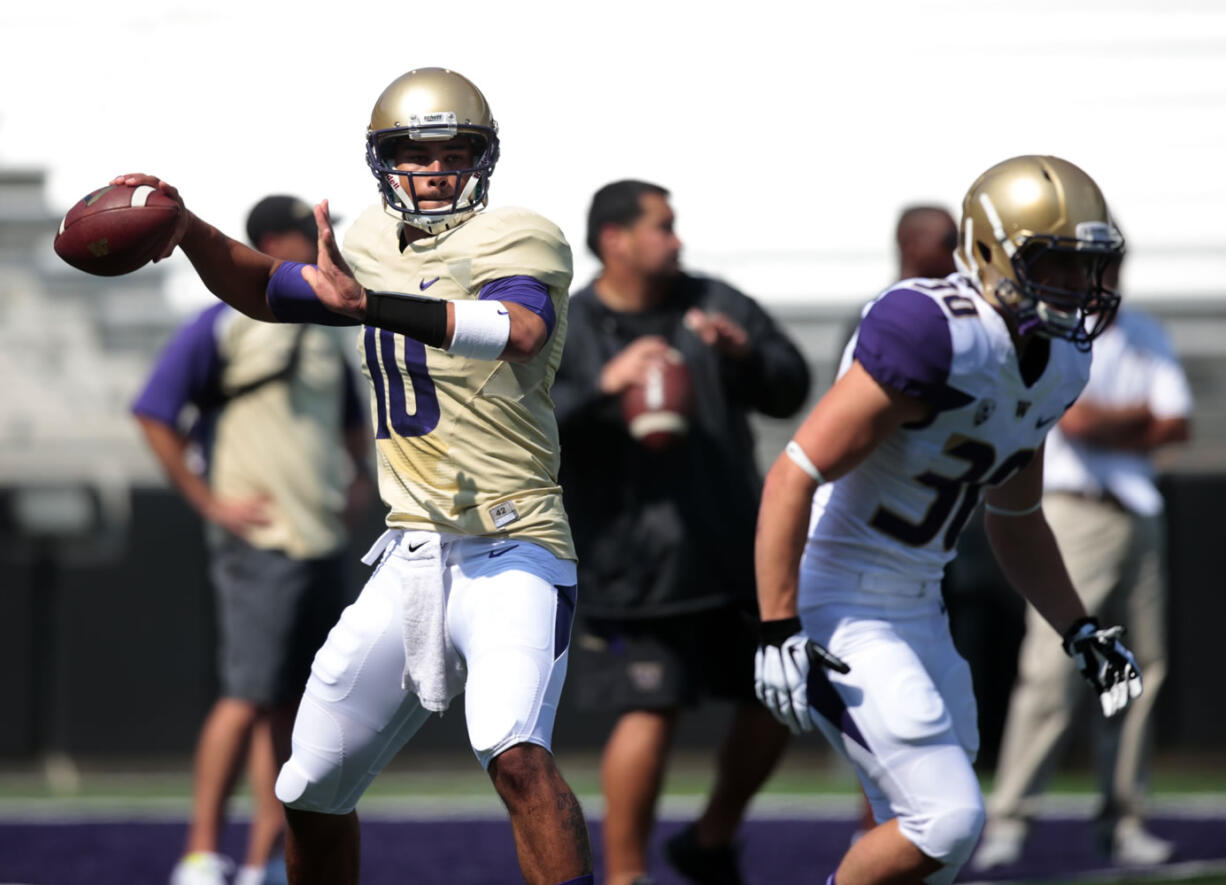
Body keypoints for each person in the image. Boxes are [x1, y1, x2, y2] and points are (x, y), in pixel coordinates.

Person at [115, 67, 594, 885]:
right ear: (383, 159)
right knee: (308, 786)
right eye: (415, 151)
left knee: (515, 754)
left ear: (484, 159)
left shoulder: (523, 234)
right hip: (409, 554)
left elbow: (514, 329)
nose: (436, 168)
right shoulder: (365, 241)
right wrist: (188, 228)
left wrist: (368, 305)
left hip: (513, 544)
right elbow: (265, 287)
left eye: (455, 151)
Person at [751, 154, 1145, 885]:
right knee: (946, 819)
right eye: (1052, 262)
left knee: (938, 842)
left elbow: (1018, 517)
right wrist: (778, 624)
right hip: (840, 596)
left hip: (918, 602)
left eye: (1083, 265)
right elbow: (794, 473)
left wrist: (1079, 628)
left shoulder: (1061, 360)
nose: (1073, 284)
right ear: (994, 253)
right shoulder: (932, 329)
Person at [553, 180, 811, 885]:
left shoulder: (714, 303)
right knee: (649, 707)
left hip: (730, 547)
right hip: (631, 561)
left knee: (779, 693)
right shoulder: (571, 329)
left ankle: (711, 836)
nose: (677, 239)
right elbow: (531, 427)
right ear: (616, 239)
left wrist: (743, 356)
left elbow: (791, 384)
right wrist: (604, 385)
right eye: (662, 226)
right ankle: (626, 875)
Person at [133, 194, 370, 885]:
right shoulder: (220, 324)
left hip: (320, 536)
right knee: (244, 696)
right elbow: (154, 412)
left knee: (296, 706)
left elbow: (354, 426)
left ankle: (267, 854)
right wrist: (209, 501)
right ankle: (202, 852)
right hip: (262, 539)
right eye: (304, 237)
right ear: (271, 240)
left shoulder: (329, 332)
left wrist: (357, 478)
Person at [974, 271, 1192, 869]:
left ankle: (1123, 821)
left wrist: (1109, 421)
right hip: (1070, 510)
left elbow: (1177, 425)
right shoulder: (1051, 332)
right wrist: (1135, 421)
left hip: (1138, 509)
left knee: (1138, 671)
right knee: (1051, 668)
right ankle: (1011, 821)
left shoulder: (1145, 331)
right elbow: (1074, 420)